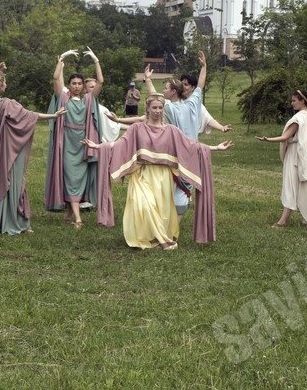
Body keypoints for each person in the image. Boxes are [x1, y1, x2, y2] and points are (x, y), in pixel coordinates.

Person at [85, 93, 232, 249]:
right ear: (147, 109)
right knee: (143, 205)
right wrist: (99, 147)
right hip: (141, 174)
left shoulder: (171, 131)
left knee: (161, 211)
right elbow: (121, 144)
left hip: (163, 176)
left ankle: (155, 238)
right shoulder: (137, 128)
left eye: (160, 108)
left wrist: (215, 148)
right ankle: (158, 240)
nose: (157, 111)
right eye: (154, 107)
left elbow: (191, 146)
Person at [0, 45, 65, 234]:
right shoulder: (7, 105)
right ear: (3, 86)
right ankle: (12, 222)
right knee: (9, 183)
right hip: (6, 153)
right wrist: (54, 116)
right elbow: (32, 116)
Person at [44, 48, 104, 229]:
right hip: (67, 143)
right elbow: (56, 78)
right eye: (73, 83)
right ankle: (78, 218)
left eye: (79, 83)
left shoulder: (88, 99)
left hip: (83, 144)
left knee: (80, 179)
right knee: (71, 178)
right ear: (69, 85)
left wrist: (96, 61)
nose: (77, 86)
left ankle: (70, 213)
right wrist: (62, 59)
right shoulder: (63, 98)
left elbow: (101, 81)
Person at [143, 52, 208, 218]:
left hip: (176, 154)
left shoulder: (170, 108)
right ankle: (173, 224)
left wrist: (148, 80)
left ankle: (169, 225)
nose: (164, 91)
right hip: (192, 153)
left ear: (173, 92)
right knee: (185, 188)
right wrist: (204, 67)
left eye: (166, 88)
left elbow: (155, 97)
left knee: (173, 188)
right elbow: (200, 86)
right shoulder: (193, 104)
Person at [256, 90, 307, 227]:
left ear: (302, 101)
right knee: (302, 185)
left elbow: (286, 137)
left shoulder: (299, 118)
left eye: (294, 101)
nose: (292, 103)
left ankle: (283, 221)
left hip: (295, 154)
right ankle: (303, 218)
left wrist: (267, 139)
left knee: (290, 185)